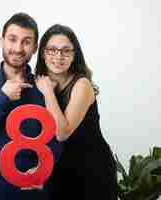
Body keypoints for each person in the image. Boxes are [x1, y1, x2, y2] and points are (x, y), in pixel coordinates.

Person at [0, 13, 62, 200]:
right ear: (2, 41)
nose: (17, 48)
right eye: (12, 39)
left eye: (26, 42)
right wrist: (2, 97)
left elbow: (58, 140)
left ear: (34, 48)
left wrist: (45, 170)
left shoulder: (46, 88)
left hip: (31, 192)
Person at [34, 24, 117, 199]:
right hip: (60, 169)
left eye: (66, 51)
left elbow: (62, 133)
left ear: (74, 55)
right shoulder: (40, 83)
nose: (59, 56)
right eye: (52, 50)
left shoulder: (82, 85)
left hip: (92, 171)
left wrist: (48, 92)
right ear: (42, 53)